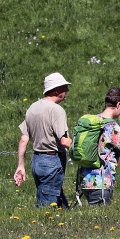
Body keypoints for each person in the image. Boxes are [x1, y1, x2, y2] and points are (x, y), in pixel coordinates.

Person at [15, 72, 73, 208]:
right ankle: (43, 220)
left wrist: (20, 166)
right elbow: (64, 141)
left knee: (56, 198)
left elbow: (24, 139)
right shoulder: (56, 110)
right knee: (46, 205)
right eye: (64, 87)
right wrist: (85, 150)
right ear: (57, 90)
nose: (67, 90)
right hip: (51, 160)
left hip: (37, 161)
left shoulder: (33, 107)